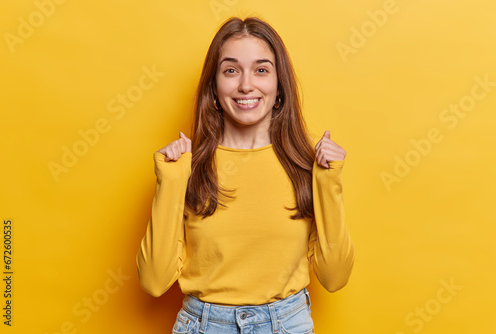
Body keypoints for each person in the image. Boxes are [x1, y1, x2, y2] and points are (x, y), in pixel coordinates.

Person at [136, 16, 355, 334]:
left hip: (287, 324)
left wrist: (327, 181)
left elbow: (335, 278)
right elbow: (154, 282)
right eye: (231, 70)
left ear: (279, 86)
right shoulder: (187, 168)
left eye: (261, 69)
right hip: (204, 326)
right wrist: (170, 181)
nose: (246, 85)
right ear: (214, 86)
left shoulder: (306, 168)